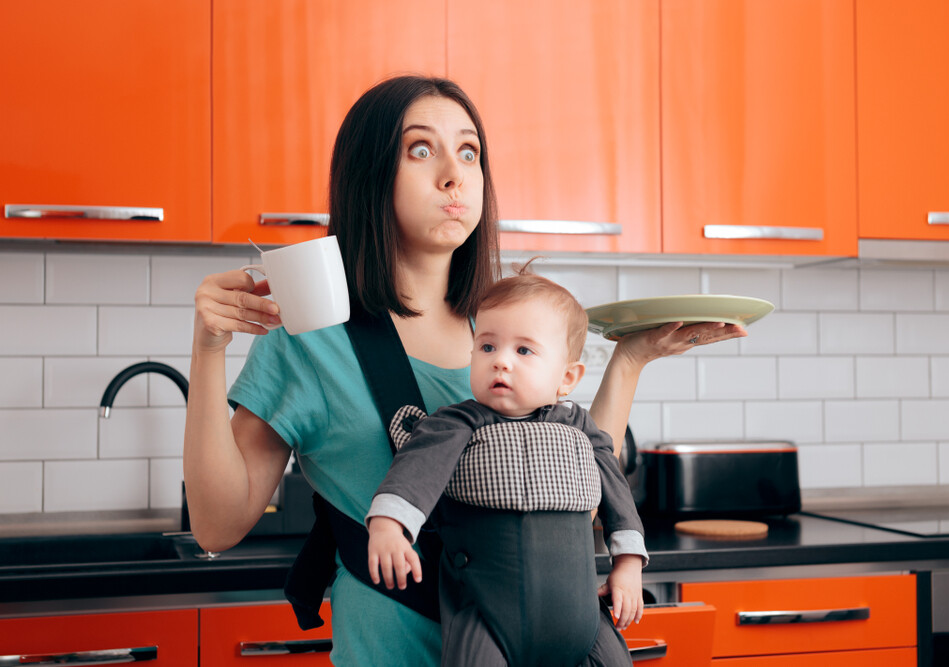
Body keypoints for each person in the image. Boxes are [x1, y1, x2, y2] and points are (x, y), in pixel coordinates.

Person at [183, 74, 747, 666]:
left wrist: (630, 360)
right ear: (370, 174)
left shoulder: (502, 328)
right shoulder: (312, 339)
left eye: (470, 151)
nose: (454, 174)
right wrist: (208, 349)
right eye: (421, 149)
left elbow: (563, 500)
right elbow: (217, 528)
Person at [366, 269, 648, 667]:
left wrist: (629, 565)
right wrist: (387, 526)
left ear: (567, 377)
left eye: (523, 351)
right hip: (487, 617)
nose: (500, 362)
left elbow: (618, 497)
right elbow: (416, 471)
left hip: (584, 620)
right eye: (487, 347)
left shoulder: (580, 427)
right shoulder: (457, 422)